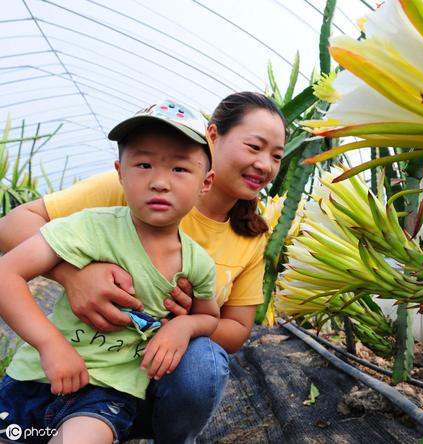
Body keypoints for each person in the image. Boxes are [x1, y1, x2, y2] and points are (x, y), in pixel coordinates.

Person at [0, 92, 287, 443]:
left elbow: (235, 328)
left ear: (203, 178)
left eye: (276, 156)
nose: (264, 165)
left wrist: (177, 323)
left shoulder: (242, 239)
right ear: (213, 138)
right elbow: (13, 228)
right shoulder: (123, 201)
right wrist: (75, 275)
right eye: (254, 147)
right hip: (61, 365)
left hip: (136, 378)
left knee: (204, 364)